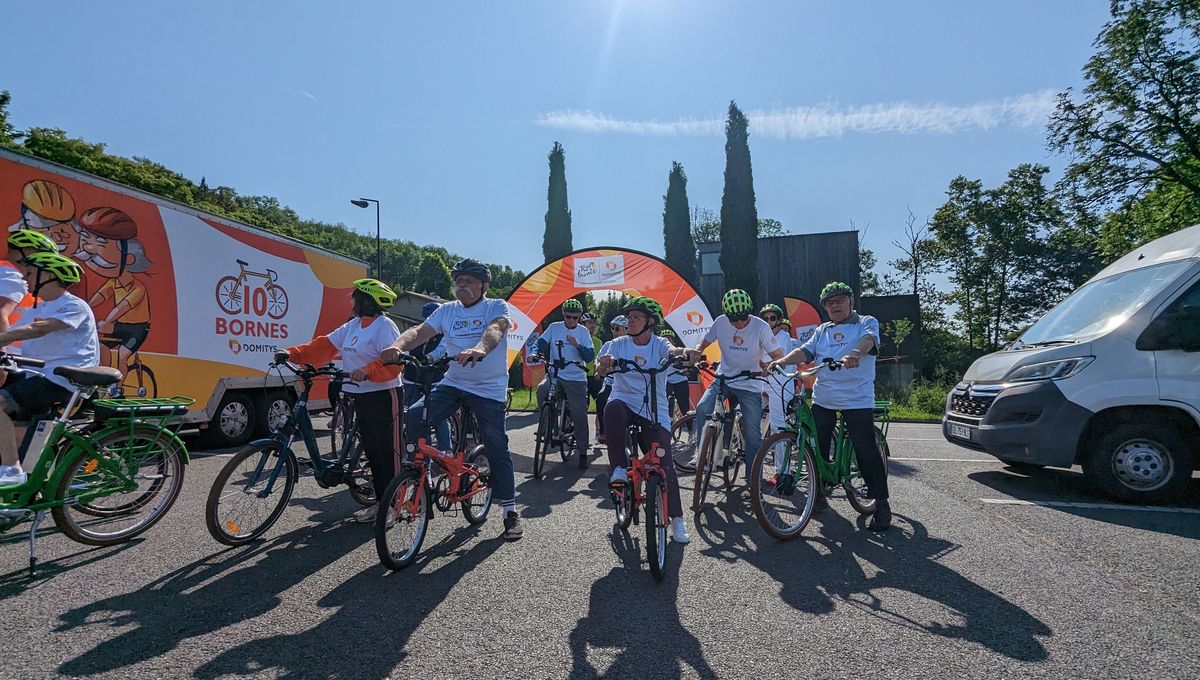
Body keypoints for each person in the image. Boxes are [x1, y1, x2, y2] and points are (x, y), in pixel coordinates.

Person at [382, 259, 523, 540]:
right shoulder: (447, 310)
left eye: (469, 280)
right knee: (416, 414)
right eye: (459, 280)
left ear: (483, 285)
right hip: (454, 382)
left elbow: (495, 329)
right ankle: (422, 473)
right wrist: (397, 346)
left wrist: (480, 348)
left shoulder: (496, 306)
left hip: (489, 388)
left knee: (496, 445)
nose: (463, 284)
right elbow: (418, 332)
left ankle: (509, 511)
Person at [768, 282, 892, 531]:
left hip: (856, 398)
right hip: (824, 398)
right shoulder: (822, 330)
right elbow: (806, 351)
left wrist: (855, 353)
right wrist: (781, 360)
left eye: (839, 300)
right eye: (830, 303)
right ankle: (820, 494)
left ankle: (881, 504)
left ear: (851, 302)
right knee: (815, 445)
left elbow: (869, 340)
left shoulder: (865, 322)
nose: (835, 306)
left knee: (865, 447)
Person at [276, 278, 402, 523]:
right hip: (360, 394)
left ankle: (395, 505)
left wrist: (367, 370)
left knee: (387, 453)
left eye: (355, 296)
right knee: (373, 454)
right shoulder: (353, 326)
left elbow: (392, 362)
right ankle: (380, 502)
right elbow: (325, 345)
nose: (351, 301)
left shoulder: (385, 327)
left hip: (384, 396)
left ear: (366, 300)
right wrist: (293, 353)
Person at [596, 296, 690, 544]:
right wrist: (603, 365)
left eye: (636, 317)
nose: (631, 321)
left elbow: (673, 351)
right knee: (611, 407)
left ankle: (678, 520)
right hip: (625, 402)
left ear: (650, 321)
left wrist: (685, 354)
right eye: (629, 317)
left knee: (665, 465)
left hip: (654, 409)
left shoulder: (659, 344)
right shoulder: (617, 344)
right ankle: (619, 469)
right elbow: (600, 367)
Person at [0, 253, 99, 485]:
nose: (26, 279)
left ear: (49, 276)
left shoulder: (74, 305)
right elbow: (16, 335)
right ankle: (26, 477)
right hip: (38, 375)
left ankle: (12, 470)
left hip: (62, 379)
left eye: (31, 273)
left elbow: (40, 329)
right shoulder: (40, 308)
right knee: (18, 425)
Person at [680, 289, 784, 478]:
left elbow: (778, 355)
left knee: (753, 436)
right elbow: (704, 342)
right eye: (734, 319)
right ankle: (701, 453)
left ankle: (753, 479)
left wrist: (769, 365)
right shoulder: (720, 322)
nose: (739, 323)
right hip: (724, 378)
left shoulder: (761, 327)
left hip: (750, 383)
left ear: (749, 312)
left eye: (743, 318)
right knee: (703, 408)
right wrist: (696, 351)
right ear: (726, 316)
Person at [534, 299, 594, 467]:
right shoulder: (554, 327)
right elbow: (541, 343)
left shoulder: (583, 332)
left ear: (579, 317)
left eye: (575, 318)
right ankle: (549, 424)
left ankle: (582, 451)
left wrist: (578, 345)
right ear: (563, 314)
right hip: (556, 374)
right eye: (568, 317)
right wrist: (534, 353)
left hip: (576, 377)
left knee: (579, 414)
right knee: (542, 390)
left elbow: (589, 356)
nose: (571, 321)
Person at [400, 300, 450, 450]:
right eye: (427, 318)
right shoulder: (418, 331)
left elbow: (442, 350)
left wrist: (428, 358)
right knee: (411, 416)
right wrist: (401, 355)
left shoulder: (444, 335)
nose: (430, 321)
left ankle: (446, 449)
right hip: (412, 379)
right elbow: (406, 345)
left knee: (439, 418)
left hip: (433, 380)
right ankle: (416, 451)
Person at [760, 303, 798, 459]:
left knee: (778, 428)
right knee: (748, 417)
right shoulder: (762, 337)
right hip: (764, 384)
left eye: (772, 318)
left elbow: (777, 358)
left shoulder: (784, 337)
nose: (769, 321)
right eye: (765, 318)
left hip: (780, 385)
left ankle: (783, 471)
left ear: (779, 320)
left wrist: (765, 365)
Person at [1, 230, 59, 333]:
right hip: (10, 346)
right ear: (27, 251)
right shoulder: (13, 276)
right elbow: (1, 312)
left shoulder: (3, 269)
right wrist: (3, 347)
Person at [594, 315, 628, 445]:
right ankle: (604, 432)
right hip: (611, 382)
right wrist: (599, 370)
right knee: (601, 397)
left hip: (628, 384)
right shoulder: (608, 345)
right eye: (612, 328)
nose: (613, 331)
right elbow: (598, 361)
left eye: (617, 328)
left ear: (626, 329)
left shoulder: (632, 343)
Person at [579, 311, 603, 467]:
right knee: (581, 407)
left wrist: (598, 371)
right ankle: (575, 433)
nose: (592, 326)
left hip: (592, 376)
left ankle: (598, 434)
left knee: (602, 401)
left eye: (594, 323)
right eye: (589, 323)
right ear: (583, 324)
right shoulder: (579, 337)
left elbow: (597, 358)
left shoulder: (598, 341)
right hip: (579, 376)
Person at [659, 328, 690, 419]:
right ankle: (667, 421)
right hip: (666, 380)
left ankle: (690, 431)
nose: (667, 341)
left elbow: (687, 365)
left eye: (669, 339)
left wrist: (684, 368)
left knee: (684, 408)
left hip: (680, 379)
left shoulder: (678, 351)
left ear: (673, 341)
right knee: (665, 402)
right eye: (665, 339)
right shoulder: (659, 352)